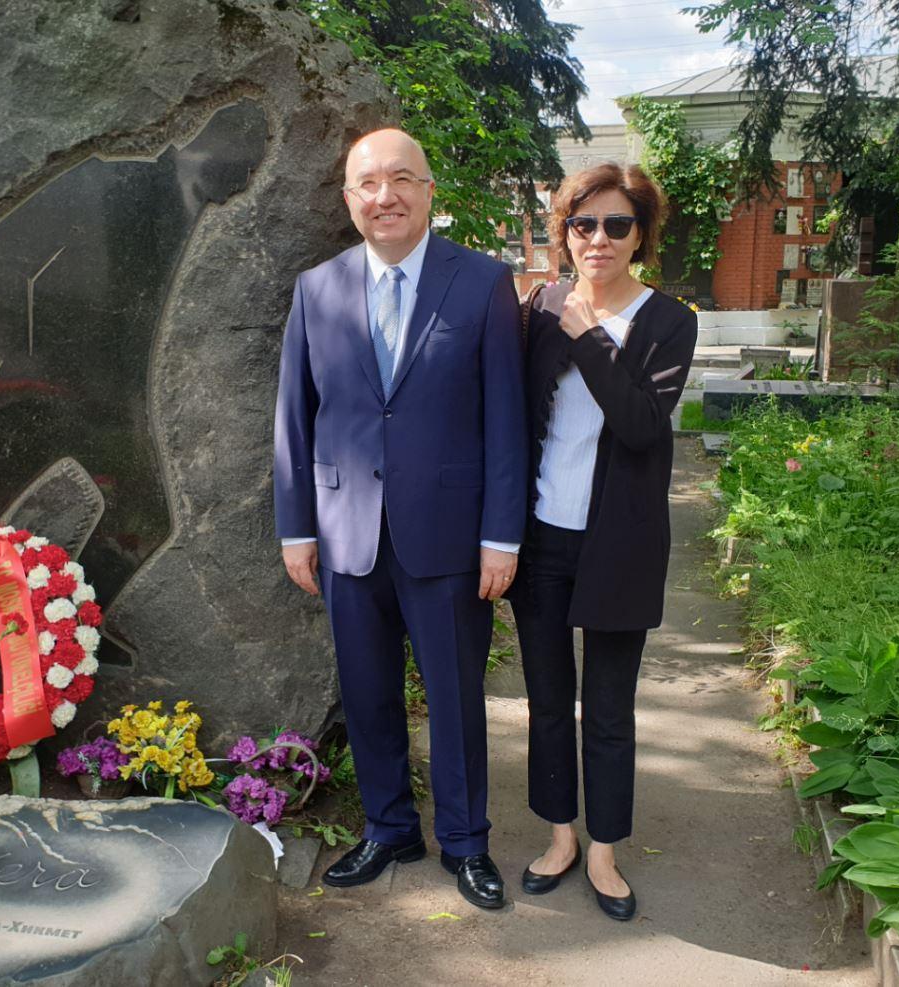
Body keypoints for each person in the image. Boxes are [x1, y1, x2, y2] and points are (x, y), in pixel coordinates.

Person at [273, 128, 527, 909]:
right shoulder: (316, 289)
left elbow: (505, 419)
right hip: (346, 534)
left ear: (427, 190)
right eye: (367, 184)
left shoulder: (481, 282)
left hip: (451, 538)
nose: (384, 196)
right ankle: (388, 828)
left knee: (453, 695)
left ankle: (463, 841)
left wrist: (500, 533)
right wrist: (296, 526)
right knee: (366, 691)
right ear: (349, 200)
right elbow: (295, 415)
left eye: (400, 180)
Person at [504, 163, 697, 921]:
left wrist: (588, 335)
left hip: (619, 543)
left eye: (617, 224)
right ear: (566, 231)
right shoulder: (539, 306)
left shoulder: (667, 320)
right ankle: (559, 837)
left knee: (608, 710)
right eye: (583, 224)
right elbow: (516, 419)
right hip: (543, 535)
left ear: (640, 234)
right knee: (548, 701)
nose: (599, 239)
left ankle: (605, 850)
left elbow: (642, 424)